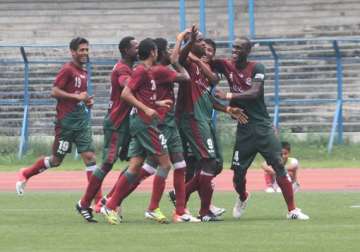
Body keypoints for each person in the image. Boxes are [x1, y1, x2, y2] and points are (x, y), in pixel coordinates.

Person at [212, 36, 309, 220]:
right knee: (238, 175)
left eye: (239, 48)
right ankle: (243, 197)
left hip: (263, 126)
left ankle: (292, 210)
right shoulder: (225, 65)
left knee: (279, 165)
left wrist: (228, 94)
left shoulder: (257, 68)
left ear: (247, 51)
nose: (234, 51)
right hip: (244, 128)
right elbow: (204, 62)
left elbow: (255, 92)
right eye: (233, 47)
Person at [100, 38, 190, 224]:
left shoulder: (148, 72)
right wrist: (147, 109)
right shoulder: (141, 70)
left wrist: (156, 103)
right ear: (153, 52)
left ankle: (109, 205)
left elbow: (141, 96)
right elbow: (126, 94)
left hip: (143, 120)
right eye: (157, 50)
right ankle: (152, 208)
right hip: (144, 122)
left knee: (135, 166)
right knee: (165, 165)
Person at [15, 37, 100, 206]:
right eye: (81, 50)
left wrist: (86, 101)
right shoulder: (67, 70)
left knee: (90, 157)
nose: (85, 53)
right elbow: (54, 91)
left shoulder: (84, 72)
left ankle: (98, 202)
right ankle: (26, 173)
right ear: (73, 52)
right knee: (56, 160)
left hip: (81, 121)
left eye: (86, 50)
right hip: (65, 124)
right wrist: (77, 97)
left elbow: (79, 95)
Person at [173, 26, 247, 221]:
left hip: (203, 119)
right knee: (207, 162)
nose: (204, 44)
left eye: (204, 42)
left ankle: (185, 199)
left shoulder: (199, 66)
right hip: (192, 119)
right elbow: (177, 60)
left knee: (215, 164)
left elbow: (212, 83)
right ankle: (201, 210)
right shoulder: (187, 63)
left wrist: (227, 109)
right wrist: (185, 42)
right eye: (199, 41)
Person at [75, 36, 138, 223]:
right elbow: (126, 84)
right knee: (108, 163)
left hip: (127, 123)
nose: (138, 49)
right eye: (135, 47)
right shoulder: (122, 69)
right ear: (126, 50)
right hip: (116, 123)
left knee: (137, 161)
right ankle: (85, 202)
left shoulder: (128, 67)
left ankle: (110, 199)